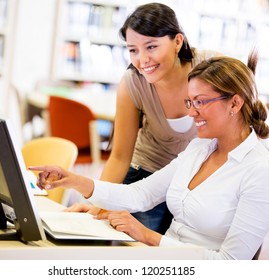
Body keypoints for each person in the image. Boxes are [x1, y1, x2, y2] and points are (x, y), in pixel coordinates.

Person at [30, 51, 269, 259]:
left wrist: (148, 236)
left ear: (235, 103)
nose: (191, 113)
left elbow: (229, 264)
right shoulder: (199, 149)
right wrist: (74, 180)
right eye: (190, 102)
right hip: (159, 261)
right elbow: (140, 194)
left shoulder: (263, 173)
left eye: (200, 102)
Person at [80, 2, 220, 234]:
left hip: (194, 183)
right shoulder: (132, 83)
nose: (142, 59)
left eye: (151, 46)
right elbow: (120, 156)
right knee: (137, 254)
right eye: (133, 49)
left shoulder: (209, 67)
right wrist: (98, 203)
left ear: (177, 41)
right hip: (146, 175)